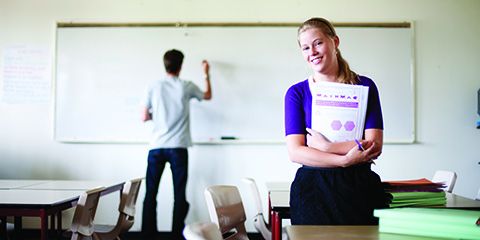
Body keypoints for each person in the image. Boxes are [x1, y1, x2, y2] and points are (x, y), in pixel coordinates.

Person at [284, 17, 389, 225]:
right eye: (305, 48)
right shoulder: (297, 93)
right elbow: (296, 152)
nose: (312, 52)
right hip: (313, 191)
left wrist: (326, 146)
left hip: (359, 187)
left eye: (318, 43)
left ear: (335, 42)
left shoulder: (365, 86)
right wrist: (344, 160)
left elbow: (374, 145)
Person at [141, 49, 212, 239]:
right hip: (178, 147)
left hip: (156, 147)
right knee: (179, 195)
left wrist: (158, 116)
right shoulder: (186, 86)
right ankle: (176, 235)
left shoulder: (153, 86)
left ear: (165, 65)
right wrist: (206, 73)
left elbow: (144, 116)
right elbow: (207, 96)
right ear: (181, 66)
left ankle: (148, 235)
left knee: (150, 195)